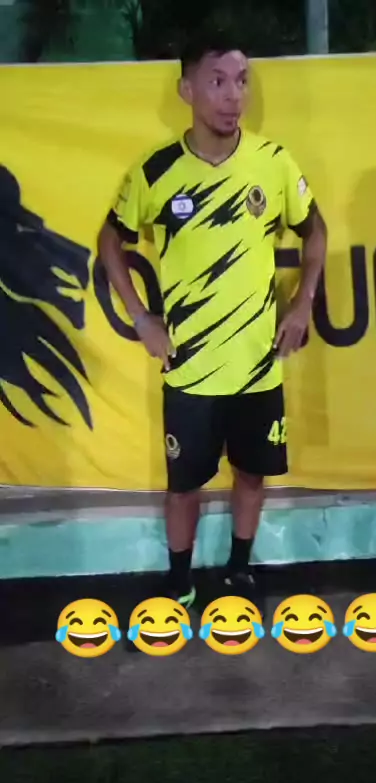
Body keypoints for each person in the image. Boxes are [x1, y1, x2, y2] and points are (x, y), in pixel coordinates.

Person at [97, 29, 327, 609]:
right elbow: (110, 241)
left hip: (258, 366)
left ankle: (239, 571)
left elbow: (315, 230)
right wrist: (142, 318)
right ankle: (179, 581)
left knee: (251, 474)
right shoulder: (156, 172)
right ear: (187, 90)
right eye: (218, 81)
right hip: (190, 369)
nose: (233, 95)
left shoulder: (273, 163)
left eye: (242, 81)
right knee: (184, 486)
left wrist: (302, 302)